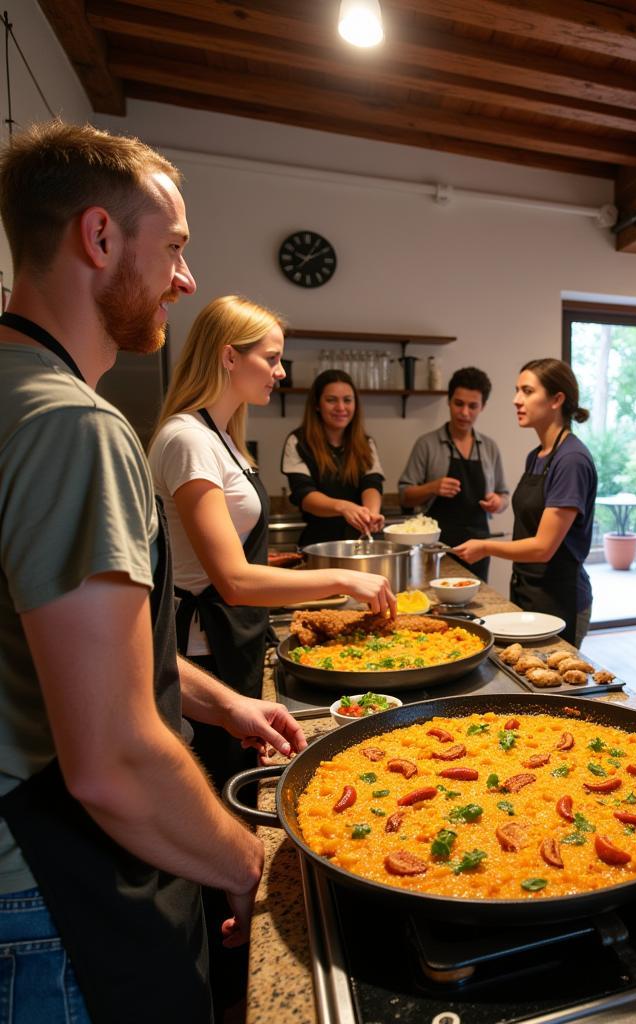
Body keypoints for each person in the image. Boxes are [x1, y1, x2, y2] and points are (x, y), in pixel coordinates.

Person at [0, 121, 304, 1023]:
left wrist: (219, 702)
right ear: (99, 238)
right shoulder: (73, 426)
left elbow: (54, 639)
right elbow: (114, 758)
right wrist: (248, 863)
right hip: (53, 894)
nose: (185, 278)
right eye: (173, 247)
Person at [149, 296, 395, 789]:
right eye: (272, 357)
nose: (280, 372)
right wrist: (346, 578)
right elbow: (234, 581)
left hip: (231, 639)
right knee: (220, 785)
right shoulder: (188, 439)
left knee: (242, 779)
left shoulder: (221, 435)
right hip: (203, 648)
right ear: (228, 356)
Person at [453, 358, 596, 646]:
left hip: (559, 597)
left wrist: (484, 546)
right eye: (517, 390)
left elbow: (543, 548)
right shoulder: (538, 455)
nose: (517, 400)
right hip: (527, 590)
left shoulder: (571, 460)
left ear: (557, 399)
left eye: (527, 392)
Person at [398, 366, 509, 581]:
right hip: (436, 547)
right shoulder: (427, 444)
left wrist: (498, 502)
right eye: (459, 404)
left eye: (472, 406)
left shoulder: (489, 447)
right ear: (449, 401)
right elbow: (404, 494)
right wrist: (432, 488)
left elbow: (504, 494)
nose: (464, 412)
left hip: (478, 546)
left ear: (482, 407)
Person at [280, 369, 385, 546]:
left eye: (347, 400)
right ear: (317, 405)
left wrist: (370, 514)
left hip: (359, 543)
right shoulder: (298, 442)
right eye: (331, 400)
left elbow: (372, 482)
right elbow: (304, 495)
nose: (341, 408)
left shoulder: (366, 443)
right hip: (318, 545)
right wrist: (343, 507)